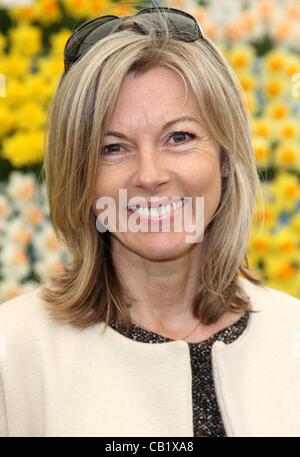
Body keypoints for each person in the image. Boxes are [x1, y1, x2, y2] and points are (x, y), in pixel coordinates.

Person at [1, 6, 300, 438]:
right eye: (113, 148)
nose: (150, 175)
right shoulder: (14, 354)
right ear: (80, 176)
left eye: (179, 138)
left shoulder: (292, 335)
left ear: (225, 159)